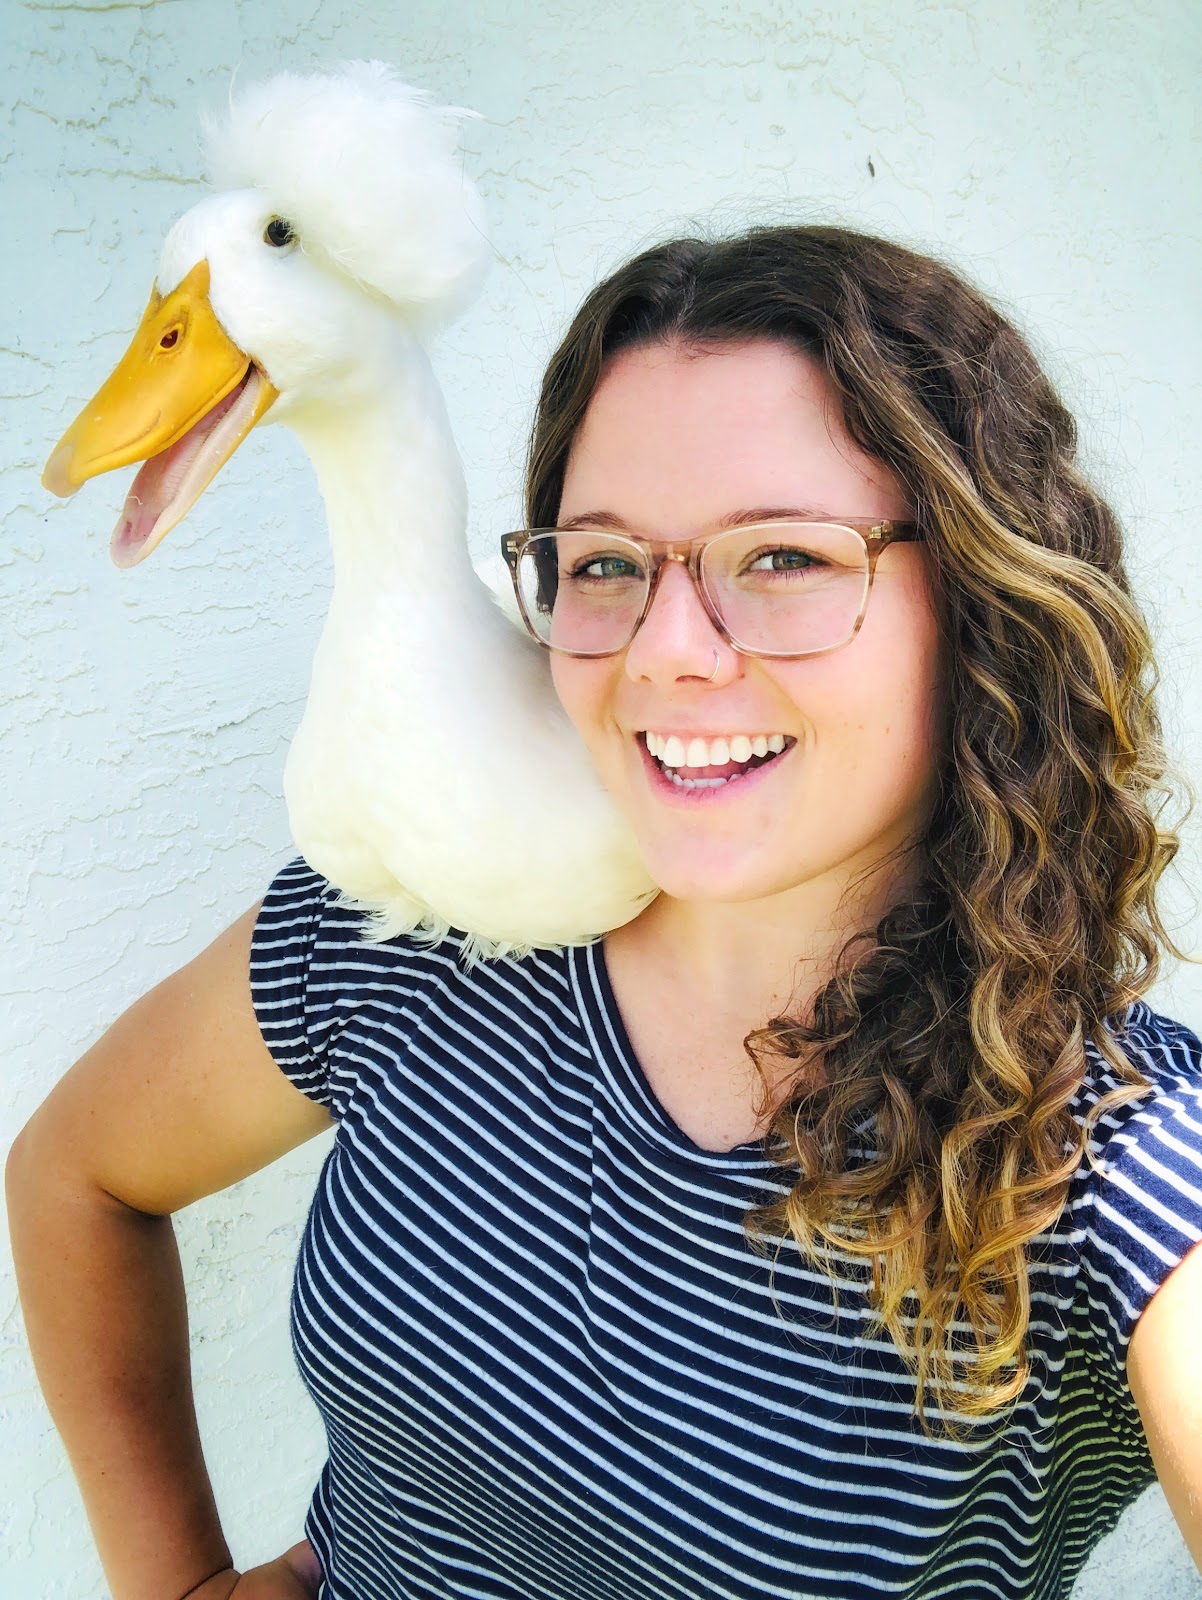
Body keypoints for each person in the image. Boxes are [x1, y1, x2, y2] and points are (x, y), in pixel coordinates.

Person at [8, 223, 1202, 1600]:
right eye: (605, 564)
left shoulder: (1109, 1163)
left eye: (780, 558)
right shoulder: (421, 927)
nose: (666, 653)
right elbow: (74, 1178)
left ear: (981, 597)